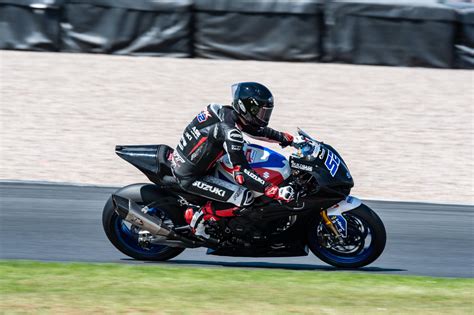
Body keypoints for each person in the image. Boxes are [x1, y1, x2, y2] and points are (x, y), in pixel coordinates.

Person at [171, 82, 295, 238]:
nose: (264, 117)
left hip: (193, 160)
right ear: (245, 108)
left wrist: (287, 139)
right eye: (261, 112)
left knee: (246, 147)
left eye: (266, 112)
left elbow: (255, 130)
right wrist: (272, 190)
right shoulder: (230, 133)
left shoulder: (225, 112)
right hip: (191, 177)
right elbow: (242, 174)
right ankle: (200, 217)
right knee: (245, 197)